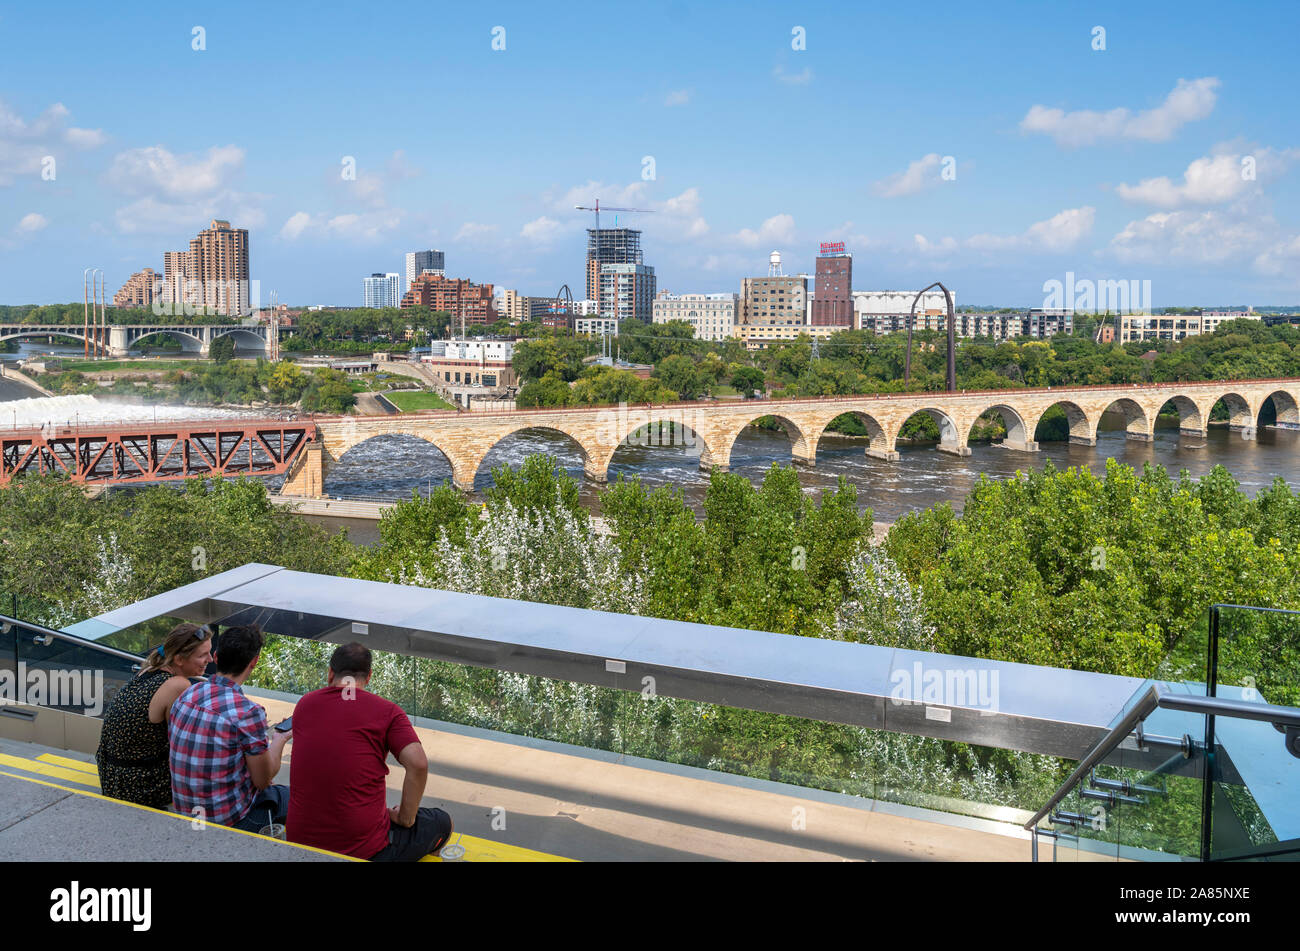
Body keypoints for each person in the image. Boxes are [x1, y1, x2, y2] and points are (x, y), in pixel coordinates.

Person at [287, 643, 453, 861]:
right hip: (365, 851)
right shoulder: (388, 712)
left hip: (300, 843)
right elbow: (418, 764)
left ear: (330, 673)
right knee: (440, 822)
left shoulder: (305, 704)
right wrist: (405, 818)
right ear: (369, 676)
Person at [168, 624, 292, 833]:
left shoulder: (187, 695)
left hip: (184, 814)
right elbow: (262, 781)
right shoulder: (247, 712)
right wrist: (280, 738)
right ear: (254, 662)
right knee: (296, 796)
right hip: (227, 823)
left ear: (215, 656)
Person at [95, 623, 213, 810]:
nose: (210, 659)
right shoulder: (178, 685)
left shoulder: (148, 671)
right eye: (202, 655)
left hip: (112, 776)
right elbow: (182, 747)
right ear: (179, 659)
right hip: (138, 786)